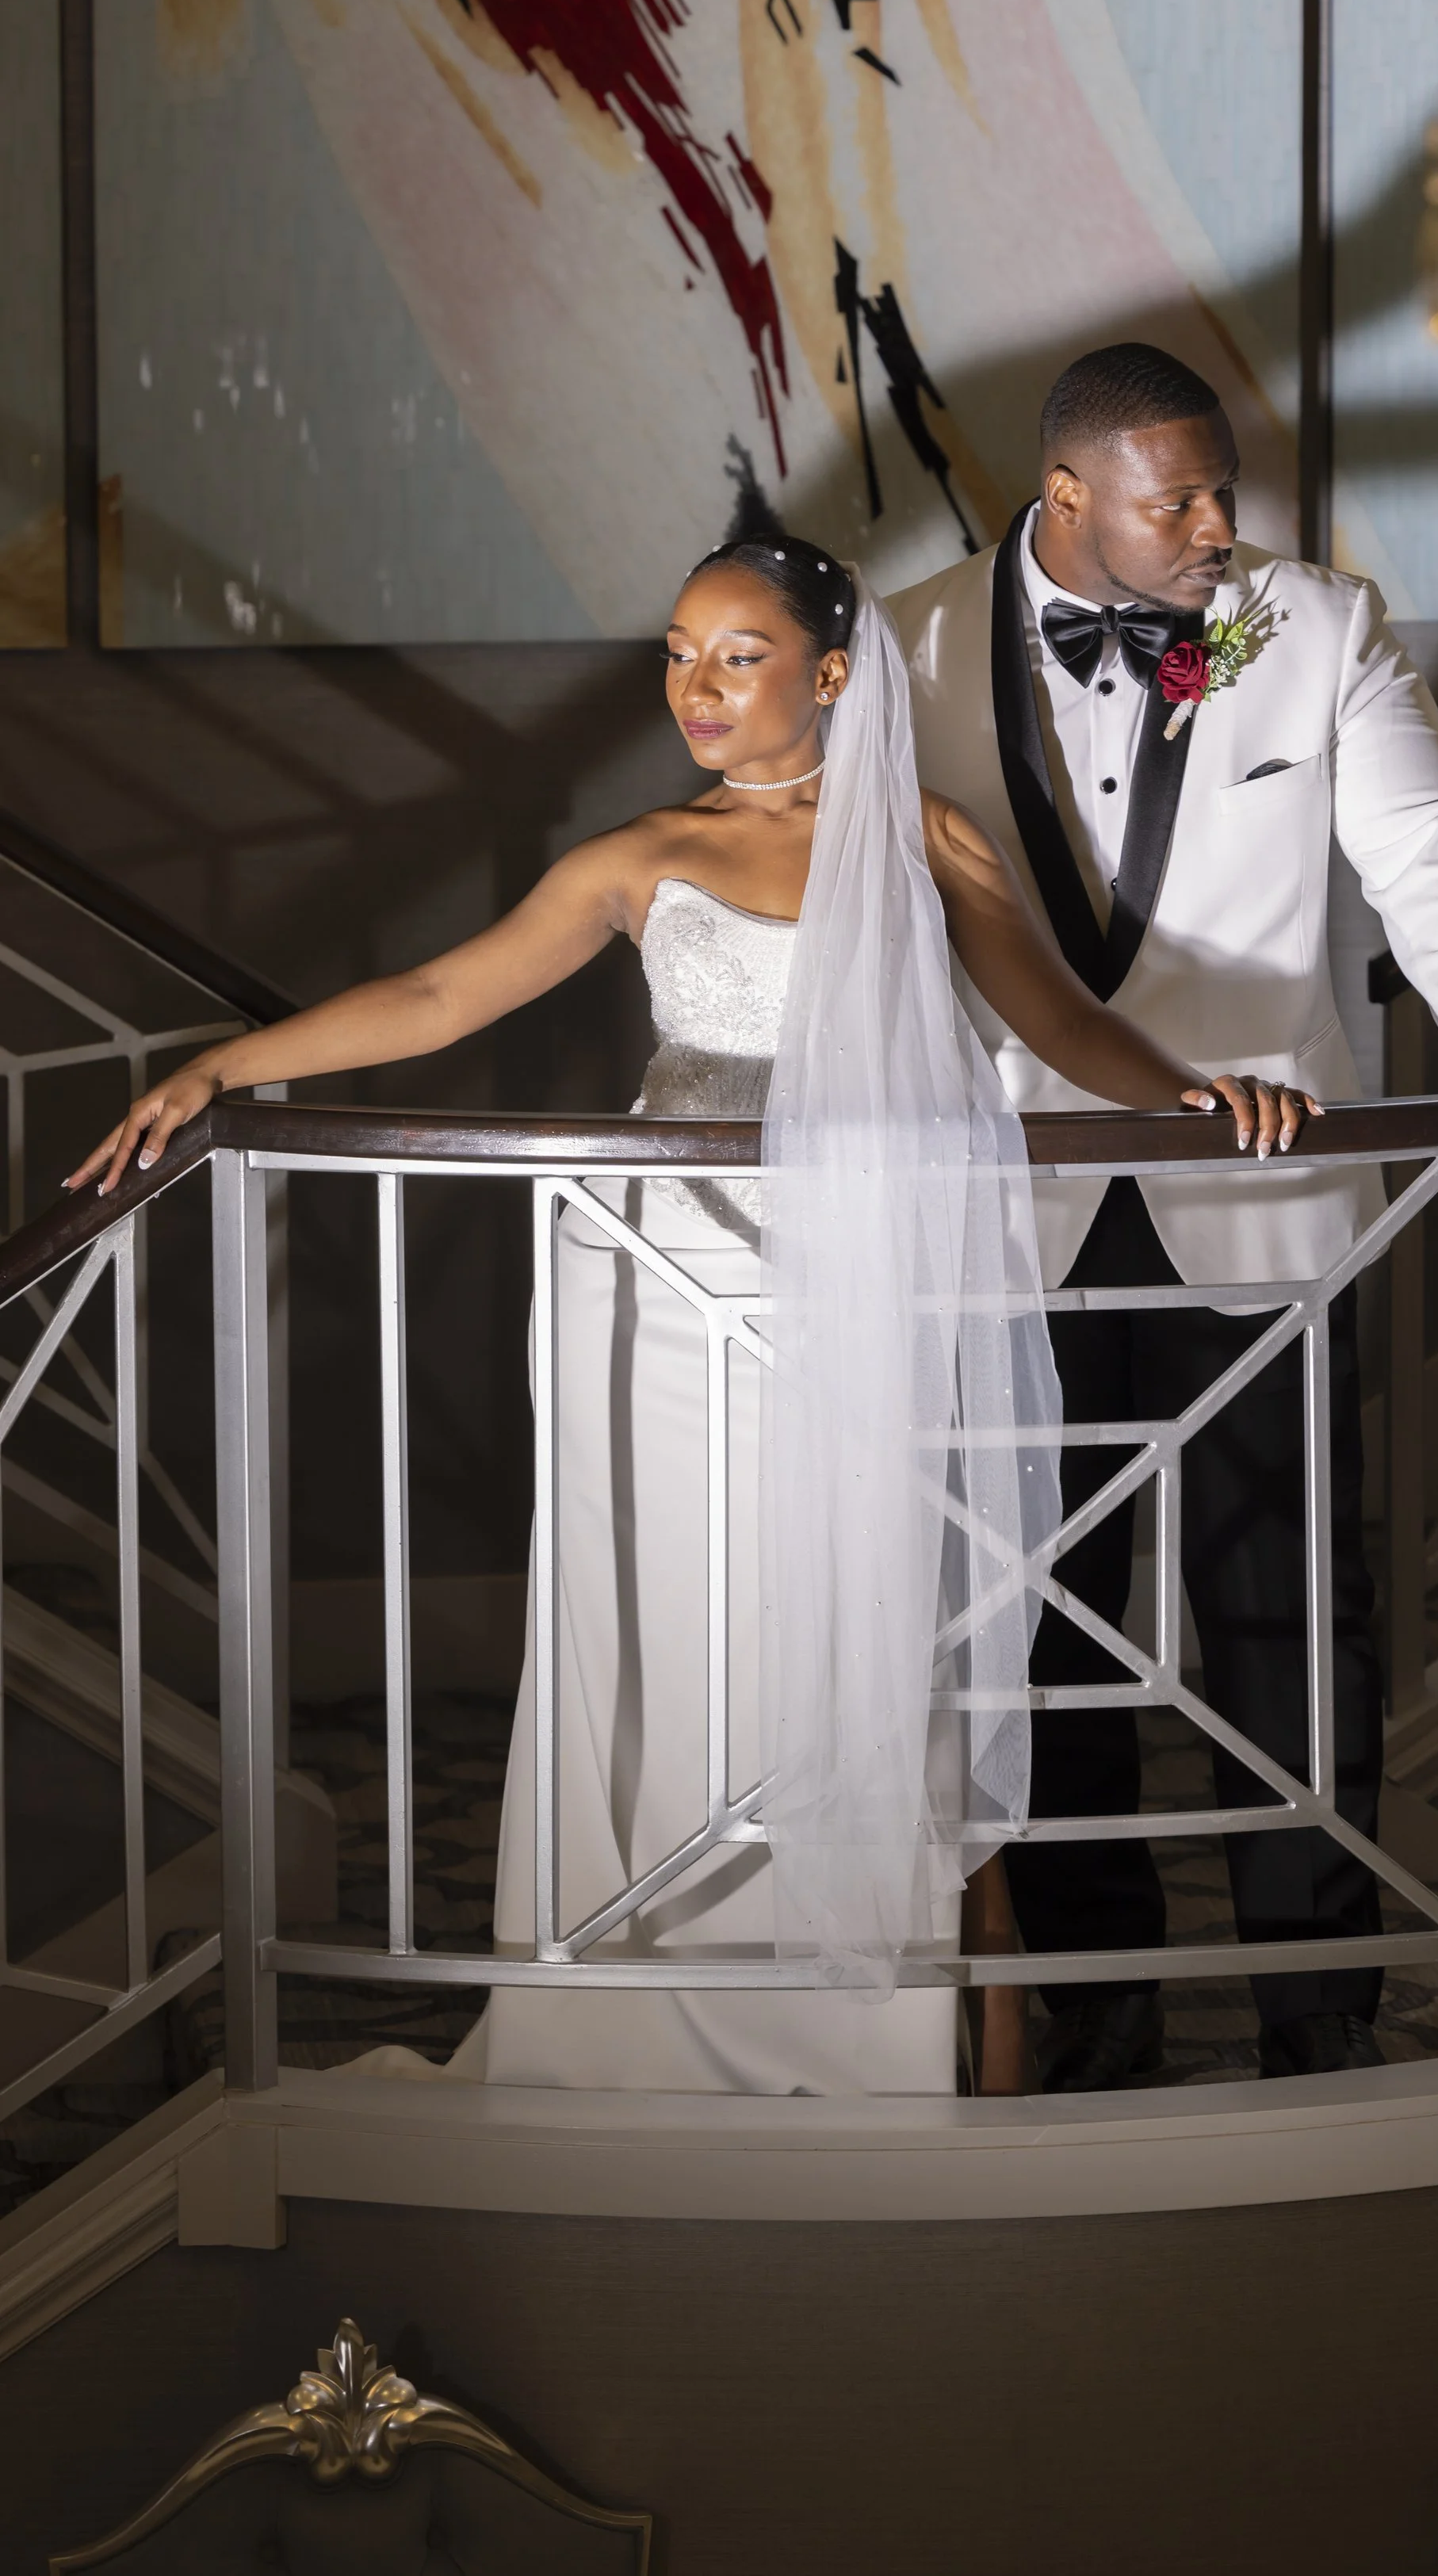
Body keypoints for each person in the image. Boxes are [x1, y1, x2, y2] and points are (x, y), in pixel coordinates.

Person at [71, 533, 1310, 2098]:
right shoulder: (643, 851)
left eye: (736, 654)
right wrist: (219, 1070)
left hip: (861, 1286)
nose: (695, 688)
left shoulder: (921, 838)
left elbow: (1054, 1018)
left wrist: (1193, 1091)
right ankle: (641, 1983)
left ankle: (952, 2010)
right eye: (675, 652)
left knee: (881, 1625)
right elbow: (441, 995)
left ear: (834, 671)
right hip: (664, 1294)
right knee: (679, 1632)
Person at [890, 342, 1438, 2091]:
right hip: (1007, 1202)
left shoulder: (1310, 624)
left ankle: (1315, 1995)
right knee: (1037, 1614)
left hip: (1262, 1204)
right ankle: (1092, 1990)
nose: (1217, 527)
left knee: (1286, 1608)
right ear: (1062, 498)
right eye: (1174, 501)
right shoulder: (900, 651)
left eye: (1222, 492)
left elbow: (1427, 836)